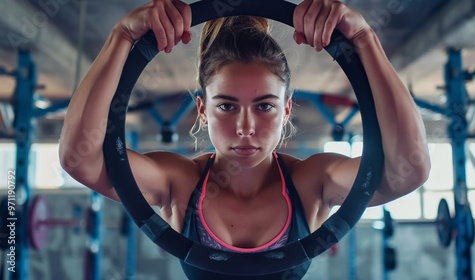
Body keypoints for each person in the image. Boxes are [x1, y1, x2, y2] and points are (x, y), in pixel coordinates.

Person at [59, 0, 430, 277]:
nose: (245, 127)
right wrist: (121, 37)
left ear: (286, 111)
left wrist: (365, 39)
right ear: (203, 110)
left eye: (265, 107)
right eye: (227, 106)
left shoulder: (310, 183)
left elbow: (408, 172)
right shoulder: (181, 183)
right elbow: (80, 159)